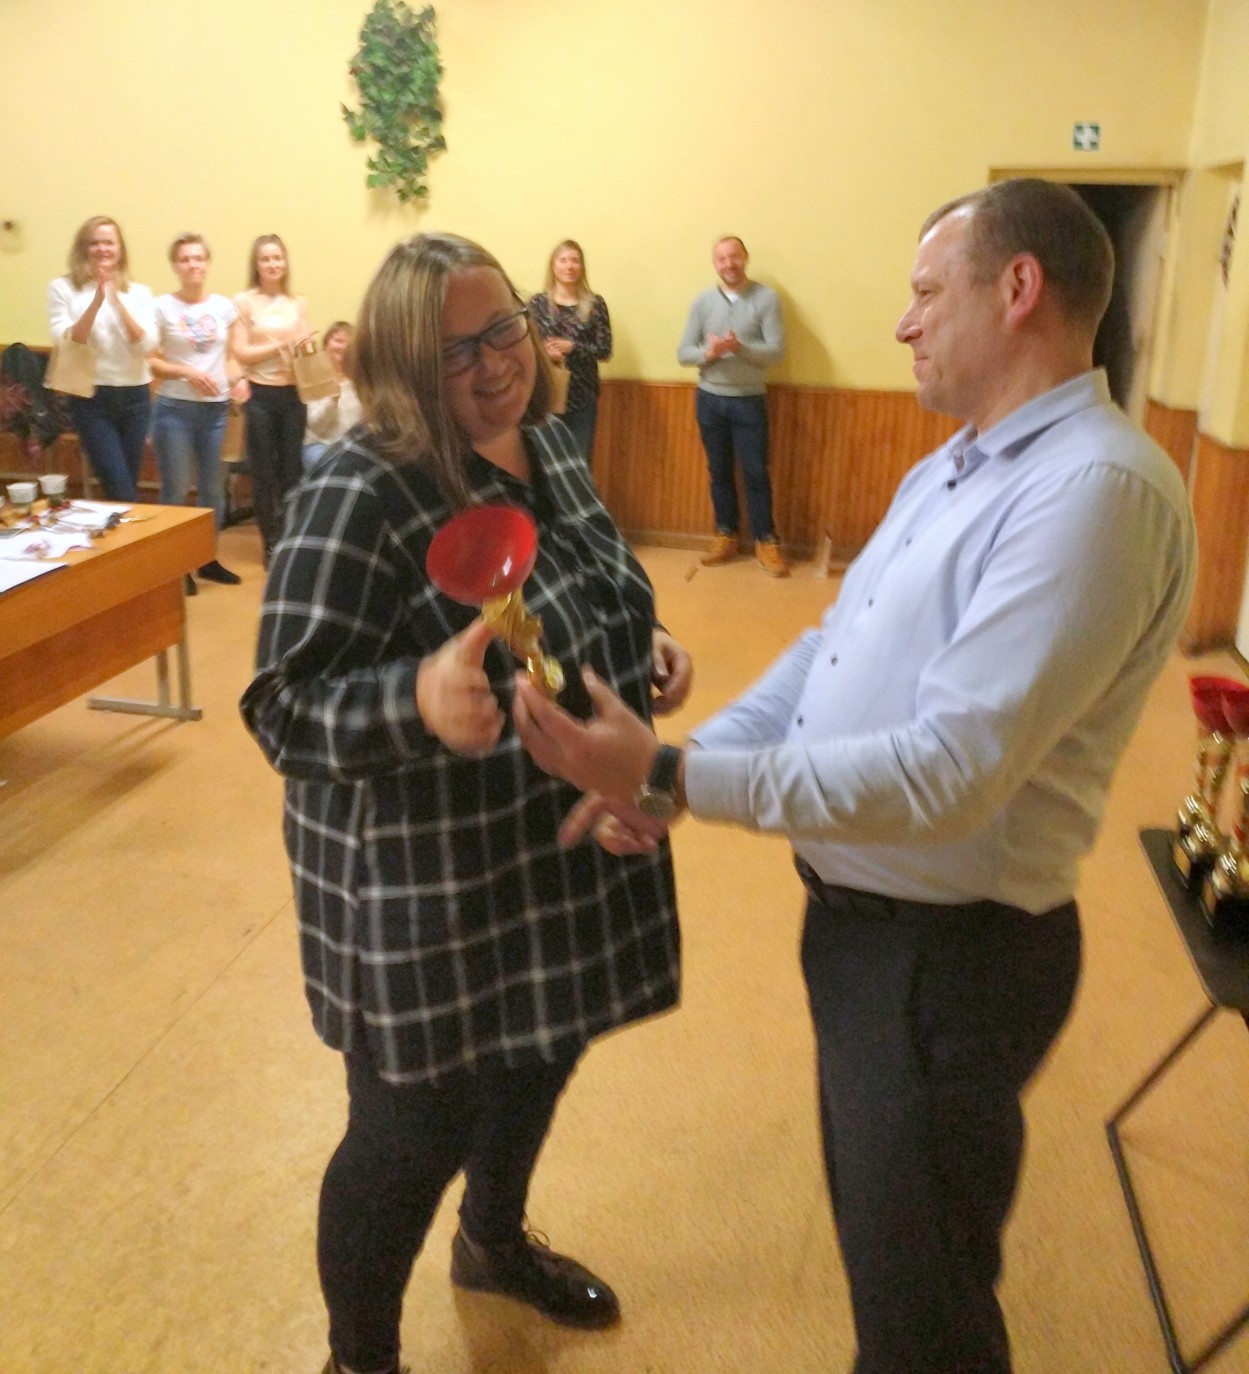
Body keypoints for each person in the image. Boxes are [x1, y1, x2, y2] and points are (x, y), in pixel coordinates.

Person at [512, 179, 1197, 1374]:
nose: (902, 321)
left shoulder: (1094, 490)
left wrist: (671, 772)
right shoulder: (958, 467)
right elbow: (829, 650)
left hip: (949, 962)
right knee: (898, 1274)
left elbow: (948, 775)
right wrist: (682, 774)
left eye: (927, 292)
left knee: (922, 1319)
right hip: (872, 939)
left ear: (1017, 289)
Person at [239, 231, 692, 1374]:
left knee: (544, 1046)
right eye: (454, 352)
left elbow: (584, 580)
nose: (493, 364)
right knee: (409, 1131)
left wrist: (641, 642)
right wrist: (415, 699)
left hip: (554, 838)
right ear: (401, 364)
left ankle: (491, 1240)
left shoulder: (549, 444)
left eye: (502, 331)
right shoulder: (359, 484)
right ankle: (360, 1357)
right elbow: (282, 708)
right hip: (423, 875)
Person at [677, 235, 788, 577]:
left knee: (756, 473)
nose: (729, 264)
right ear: (715, 264)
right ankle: (725, 535)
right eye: (722, 259)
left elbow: (777, 351)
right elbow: (684, 353)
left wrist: (740, 348)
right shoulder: (703, 302)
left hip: (749, 400)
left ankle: (766, 541)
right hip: (709, 399)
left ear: (745, 258)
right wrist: (708, 353)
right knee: (719, 472)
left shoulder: (766, 298)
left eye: (734, 257)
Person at [149, 232, 245, 587]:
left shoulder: (223, 307)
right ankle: (174, 568)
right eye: (185, 259)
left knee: (213, 491)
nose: (193, 265)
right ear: (175, 266)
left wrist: (238, 379)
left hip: (217, 412)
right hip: (175, 410)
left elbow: (232, 357)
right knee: (175, 490)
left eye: (198, 258)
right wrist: (187, 372)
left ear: (208, 263)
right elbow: (151, 360)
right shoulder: (161, 307)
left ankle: (206, 559)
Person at [46, 216, 158, 501]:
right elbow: (66, 341)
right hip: (90, 397)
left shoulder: (139, 292)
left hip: (135, 395)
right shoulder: (63, 288)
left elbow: (147, 345)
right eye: (94, 243)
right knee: (118, 484)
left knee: (128, 481)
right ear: (83, 248)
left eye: (109, 242)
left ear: (120, 249)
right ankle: (131, 527)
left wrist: (116, 300)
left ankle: (122, 528)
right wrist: (96, 302)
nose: (102, 249)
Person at [230, 234, 309, 562]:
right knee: (263, 473)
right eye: (265, 259)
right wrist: (279, 346)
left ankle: (291, 538)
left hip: (294, 393)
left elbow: (303, 347)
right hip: (260, 394)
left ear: (285, 262)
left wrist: (305, 345)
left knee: (292, 470)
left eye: (277, 258)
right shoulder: (244, 302)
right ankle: (271, 542)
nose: (273, 264)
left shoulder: (297, 303)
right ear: (256, 265)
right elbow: (240, 352)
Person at [527, 240, 612, 460]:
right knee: (545, 461)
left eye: (575, 260)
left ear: (582, 266)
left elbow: (605, 350)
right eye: (563, 260)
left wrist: (573, 347)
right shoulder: (537, 303)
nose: (569, 266)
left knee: (579, 460)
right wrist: (545, 353)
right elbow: (526, 344)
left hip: (583, 398)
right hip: (546, 393)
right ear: (553, 266)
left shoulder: (595, 304)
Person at [301, 321, 361, 470]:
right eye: (338, 341)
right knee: (335, 468)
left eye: (348, 343)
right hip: (320, 444)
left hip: (353, 445)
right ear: (326, 345)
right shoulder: (313, 379)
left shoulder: (361, 380)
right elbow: (316, 427)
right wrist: (333, 399)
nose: (343, 347)